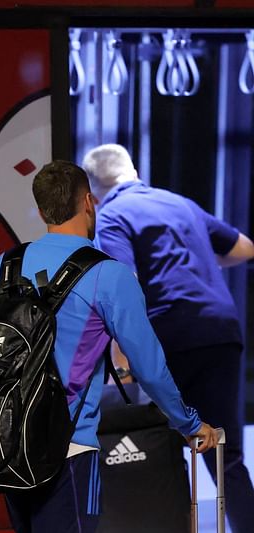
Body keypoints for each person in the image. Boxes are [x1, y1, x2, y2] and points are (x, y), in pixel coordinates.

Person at [0, 160, 218, 533]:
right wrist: (188, 423)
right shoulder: (107, 273)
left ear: (41, 211)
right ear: (88, 202)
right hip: (69, 450)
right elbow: (148, 366)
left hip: (7, 447)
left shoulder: (1, 268)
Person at [82, 143, 254, 533]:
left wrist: (121, 363)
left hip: (170, 336)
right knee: (225, 455)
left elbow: (124, 288)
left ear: (92, 191)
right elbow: (243, 248)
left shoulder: (111, 217)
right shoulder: (180, 204)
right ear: (132, 170)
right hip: (221, 331)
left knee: (160, 445)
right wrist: (202, 263)